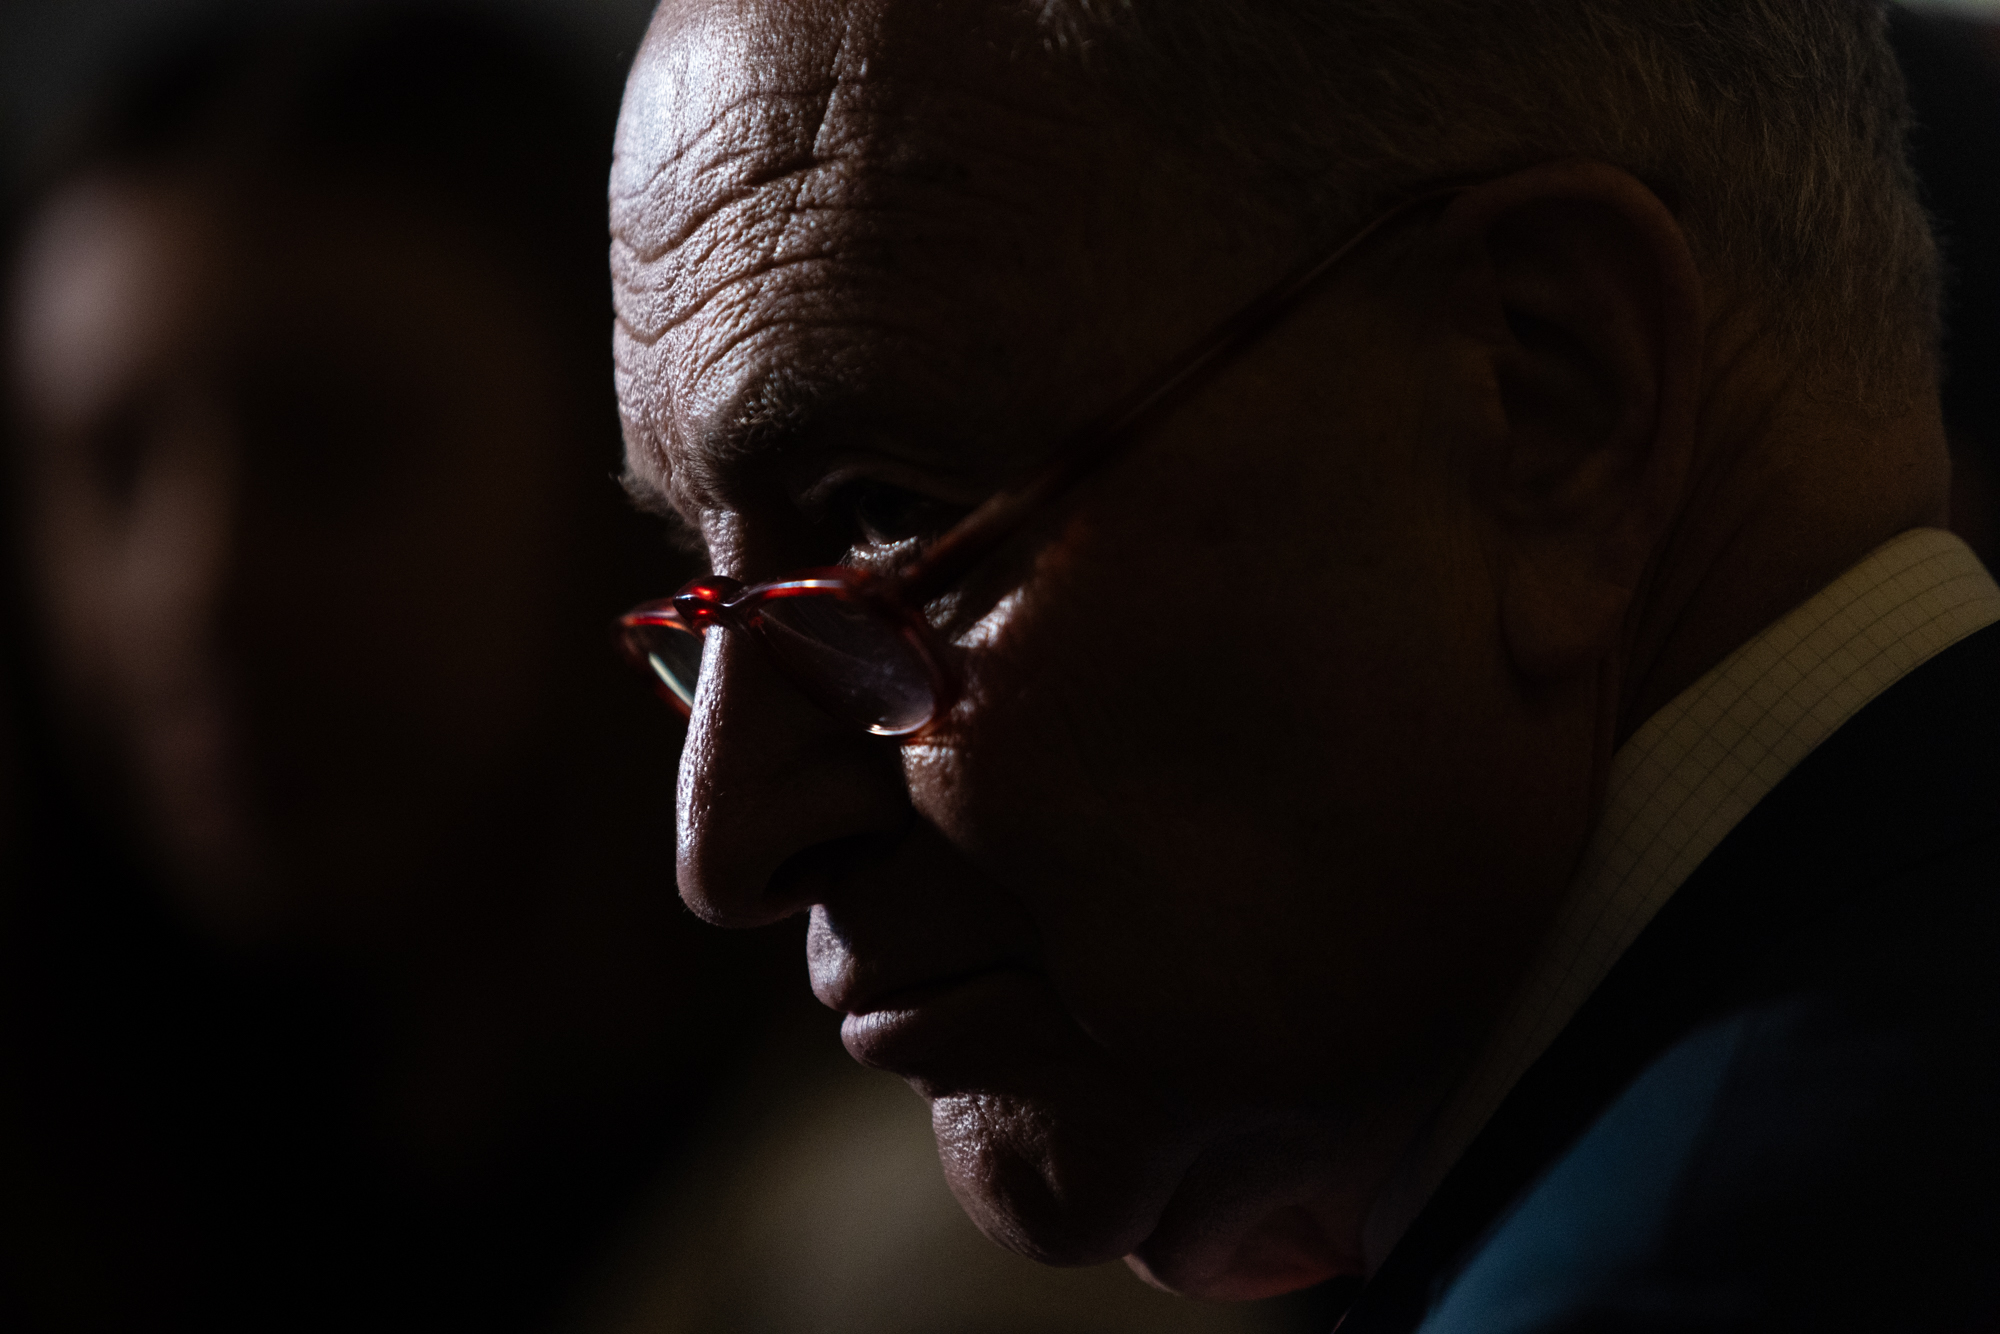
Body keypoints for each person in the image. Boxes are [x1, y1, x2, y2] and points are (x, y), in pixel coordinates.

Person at [606, 0, 2000, 1329]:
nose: (724, 840)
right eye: (708, 604)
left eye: (884, 519)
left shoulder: (1693, 1282)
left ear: (1552, 402)